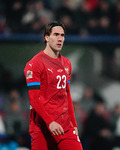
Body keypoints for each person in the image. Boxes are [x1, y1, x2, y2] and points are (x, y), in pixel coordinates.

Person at [24, 21, 83, 150]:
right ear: (46, 37)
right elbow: (34, 99)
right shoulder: (35, 64)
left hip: (64, 124)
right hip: (42, 126)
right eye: (56, 34)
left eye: (62, 35)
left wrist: (74, 124)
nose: (60, 39)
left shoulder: (66, 63)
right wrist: (50, 122)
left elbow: (67, 95)